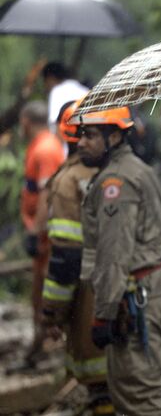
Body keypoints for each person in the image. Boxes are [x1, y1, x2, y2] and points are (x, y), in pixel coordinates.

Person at [73, 105, 161, 415]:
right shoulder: (139, 169)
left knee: (139, 400)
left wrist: (103, 314)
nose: (81, 142)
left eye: (91, 135)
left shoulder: (115, 183)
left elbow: (113, 253)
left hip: (137, 297)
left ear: (115, 137)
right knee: (156, 390)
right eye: (82, 135)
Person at [41, 100, 113, 415]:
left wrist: (51, 313)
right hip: (128, 288)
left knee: (99, 382)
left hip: (88, 293)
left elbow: (66, 255)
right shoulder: (120, 171)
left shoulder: (67, 182)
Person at [19, 100, 65, 360]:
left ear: (26, 121)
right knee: (38, 293)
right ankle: (40, 344)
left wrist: (36, 232)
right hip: (42, 236)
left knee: (46, 294)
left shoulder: (45, 149)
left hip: (47, 238)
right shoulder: (40, 146)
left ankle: (48, 346)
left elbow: (46, 195)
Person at [42, 61, 88, 134]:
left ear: (50, 78)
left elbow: (54, 124)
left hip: (67, 142)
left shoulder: (57, 91)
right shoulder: (85, 90)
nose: (45, 87)